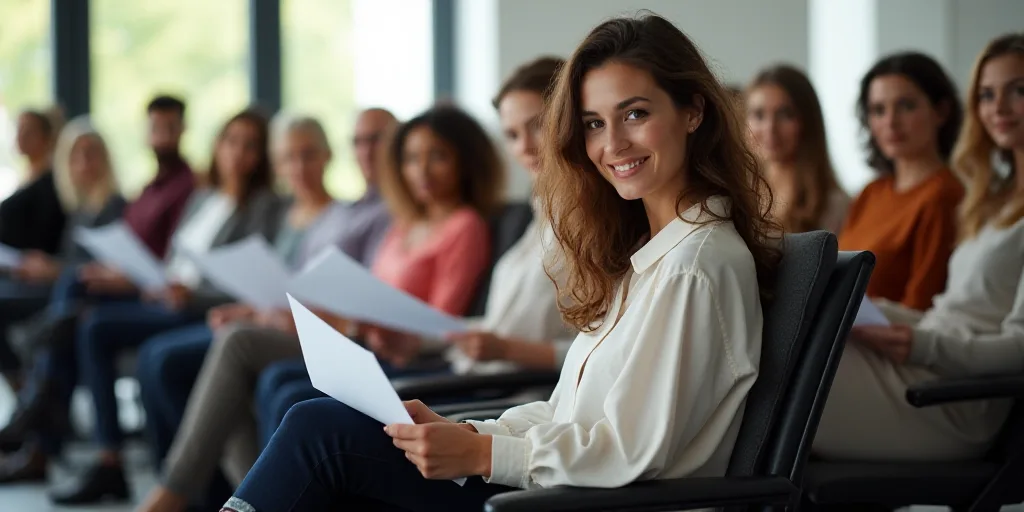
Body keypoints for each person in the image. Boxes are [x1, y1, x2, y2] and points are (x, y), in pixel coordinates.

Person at [221, 13, 780, 511]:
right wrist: (466, 430)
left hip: (588, 502)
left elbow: (634, 452)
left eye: (635, 113)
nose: (612, 144)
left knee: (319, 430)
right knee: (323, 425)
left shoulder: (695, 265)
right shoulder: (648, 257)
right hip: (561, 485)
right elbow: (572, 414)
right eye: (592, 123)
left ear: (693, 112)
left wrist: (484, 454)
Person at [137, 104, 501, 512]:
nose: (421, 170)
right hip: (367, 338)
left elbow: (441, 324)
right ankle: (254, 496)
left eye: (437, 157)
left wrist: (361, 322)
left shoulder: (464, 226)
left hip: (404, 354)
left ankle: (197, 491)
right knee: (261, 373)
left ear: (464, 162)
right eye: (412, 158)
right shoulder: (404, 225)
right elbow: (369, 297)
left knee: (254, 360)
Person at [253, 56, 576, 446]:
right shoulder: (540, 219)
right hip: (451, 364)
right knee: (286, 391)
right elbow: (482, 326)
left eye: (537, 126)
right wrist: (405, 339)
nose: (524, 147)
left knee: (299, 405)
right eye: (511, 134)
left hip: (499, 390)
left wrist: (492, 346)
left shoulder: (570, 230)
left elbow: (582, 353)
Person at [132, 111, 396, 510]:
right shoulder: (342, 215)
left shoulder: (359, 216)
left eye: (308, 154)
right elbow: (292, 288)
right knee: (218, 357)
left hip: (337, 336)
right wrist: (253, 310)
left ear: (326, 156)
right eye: (358, 141)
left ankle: (180, 490)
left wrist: (273, 316)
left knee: (232, 349)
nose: (366, 151)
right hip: (297, 323)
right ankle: (246, 497)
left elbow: (354, 303)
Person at [38, 108, 281, 505]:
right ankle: (105, 450)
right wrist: (150, 279)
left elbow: (249, 281)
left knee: (144, 350)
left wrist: (190, 295)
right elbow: (175, 258)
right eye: (231, 141)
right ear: (218, 146)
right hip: (166, 294)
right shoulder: (203, 198)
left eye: (250, 145)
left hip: (200, 306)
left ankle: (175, 482)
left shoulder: (264, 208)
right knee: (84, 301)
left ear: (262, 156)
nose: (238, 153)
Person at [815, 33, 1024, 461]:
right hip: (932, 361)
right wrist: (874, 311)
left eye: (1018, 91)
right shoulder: (991, 202)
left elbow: (1018, 348)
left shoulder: (949, 195)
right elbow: (950, 313)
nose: (998, 108)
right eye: (986, 94)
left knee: (779, 379)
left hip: (958, 396)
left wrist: (918, 344)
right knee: (782, 351)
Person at [0, 118, 126, 467]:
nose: (85, 163)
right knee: (63, 322)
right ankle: (37, 415)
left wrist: (57, 269)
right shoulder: (80, 210)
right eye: (76, 156)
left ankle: (35, 413)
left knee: (69, 321)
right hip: (70, 295)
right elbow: (72, 264)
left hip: (99, 296)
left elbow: (101, 270)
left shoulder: (114, 206)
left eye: (92, 154)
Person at [838, 52, 965, 312]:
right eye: (878, 110)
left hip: (890, 344)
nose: (890, 122)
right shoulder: (871, 192)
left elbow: (920, 306)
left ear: (941, 111)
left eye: (906, 106)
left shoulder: (944, 195)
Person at [745, 64, 850, 233]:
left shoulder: (834, 205)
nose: (770, 128)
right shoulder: (737, 196)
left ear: (808, 122)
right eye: (759, 115)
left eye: (785, 114)